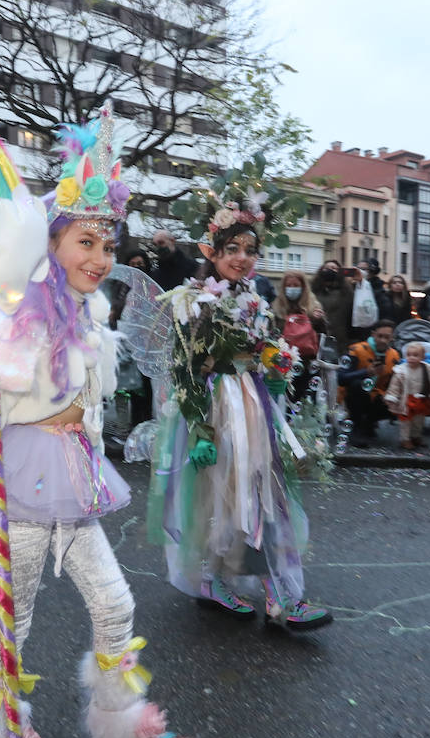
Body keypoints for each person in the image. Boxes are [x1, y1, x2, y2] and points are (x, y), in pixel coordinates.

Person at [0, 107, 197, 738]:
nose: (100, 258)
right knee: (8, 625)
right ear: (51, 241)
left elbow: (90, 408)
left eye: (108, 244)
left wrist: (85, 425)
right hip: (22, 487)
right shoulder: (9, 316)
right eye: (85, 241)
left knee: (116, 605)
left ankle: (122, 735)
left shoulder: (89, 313)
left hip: (74, 486)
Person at [150, 159, 333, 631]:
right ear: (211, 251)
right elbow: (184, 368)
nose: (242, 257)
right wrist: (200, 427)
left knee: (260, 494)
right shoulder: (193, 300)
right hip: (217, 410)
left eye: (250, 249)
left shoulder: (255, 298)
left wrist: (275, 368)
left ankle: (271, 593)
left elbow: (263, 349)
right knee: (222, 501)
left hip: (253, 407)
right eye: (232, 248)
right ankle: (222, 583)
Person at [268, 270, 326, 402]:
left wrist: (318, 320)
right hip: (284, 364)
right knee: (286, 401)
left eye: (296, 285)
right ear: (283, 287)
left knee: (307, 402)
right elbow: (273, 334)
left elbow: (323, 336)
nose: (292, 288)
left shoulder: (313, 307)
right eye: (289, 285)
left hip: (308, 365)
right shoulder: (276, 308)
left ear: (303, 287)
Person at [342, 318, 401, 447]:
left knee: (398, 396)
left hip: (378, 395)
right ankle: (356, 426)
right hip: (354, 396)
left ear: (392, 338)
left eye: (387, 337)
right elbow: (341, 378)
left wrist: (391, 394)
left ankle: (369, 422)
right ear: (373, 334)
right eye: (380, 336)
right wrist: (366, 372)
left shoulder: (395, 355)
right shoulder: (356, 350)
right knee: (357, 385)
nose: (383, 340)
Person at [386, 341, 430, 449]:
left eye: (415, 355)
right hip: (406, 400)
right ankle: (405, 439)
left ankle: (416, 436)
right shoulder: (401, 370)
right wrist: (392, 397)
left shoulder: (427, 369)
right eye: (409, 355)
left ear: (423, 357)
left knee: (419, 420)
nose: (411, 358)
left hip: (421, 399)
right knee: (405, 422)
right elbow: (395, 385)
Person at [311, 259, 353, 349]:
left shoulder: (347, 292)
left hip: (340, 340)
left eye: (334, 268)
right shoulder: (313, 290)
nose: (330, 270)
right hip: (316, 338)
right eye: (326, 268)